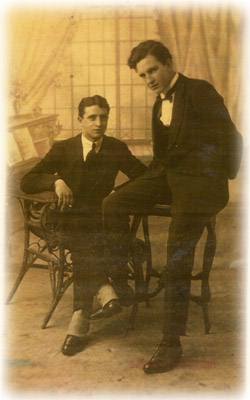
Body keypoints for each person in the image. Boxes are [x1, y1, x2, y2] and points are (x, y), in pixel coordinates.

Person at [102, 40, 242, 374]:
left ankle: (170, 342)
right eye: (142, 75)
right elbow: (163, 158)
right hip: (168, 176)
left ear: (169, 63)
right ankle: (124, 273)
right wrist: (147, 183)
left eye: (153, 70)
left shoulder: (200, 92)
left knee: (176, 254)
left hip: (201, 185)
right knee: (113, 203)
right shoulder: (157, 105)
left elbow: (232, 142)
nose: (149, 78)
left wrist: (210, 178)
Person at [20, 95, 147, 356]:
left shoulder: (115, 148)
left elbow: (143, 178)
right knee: (82, 236)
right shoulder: (63, 148)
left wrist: (119, 194)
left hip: (104, 222)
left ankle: (81, 318)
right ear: (80, 120)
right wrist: (55, 181)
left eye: (103, 117)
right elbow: (28, 180)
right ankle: (105, 289)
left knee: (86, 243)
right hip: (70, 220)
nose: (99, 123)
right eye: (92, 117)